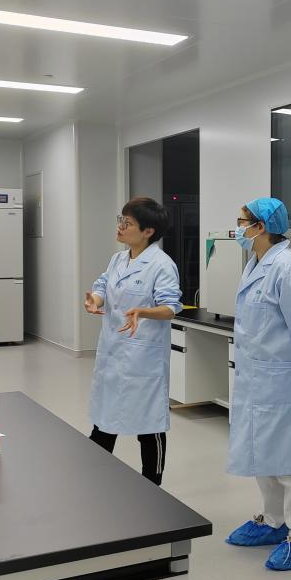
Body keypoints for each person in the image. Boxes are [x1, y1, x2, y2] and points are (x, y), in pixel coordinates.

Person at [224, 198, 291, 571]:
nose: (238, 228)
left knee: (290, 460)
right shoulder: (256, 264)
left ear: (260, 226)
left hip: (282, 379)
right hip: (258, 378)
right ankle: (274, 521)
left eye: (242, 222)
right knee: (264, 453)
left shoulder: (287, 268)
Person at [84, 197, 182, 486]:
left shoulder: (162, 265)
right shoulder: (119, 258)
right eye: (121, 220)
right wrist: (95, 299)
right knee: (104, 421)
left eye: (127, 223)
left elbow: (170, 307)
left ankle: (153, 487)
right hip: (113, 353)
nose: (120, 227)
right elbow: (103, 284)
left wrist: (143, 311)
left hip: (143, 361)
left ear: (148, 231)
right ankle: (92, 481)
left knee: (149, 427)